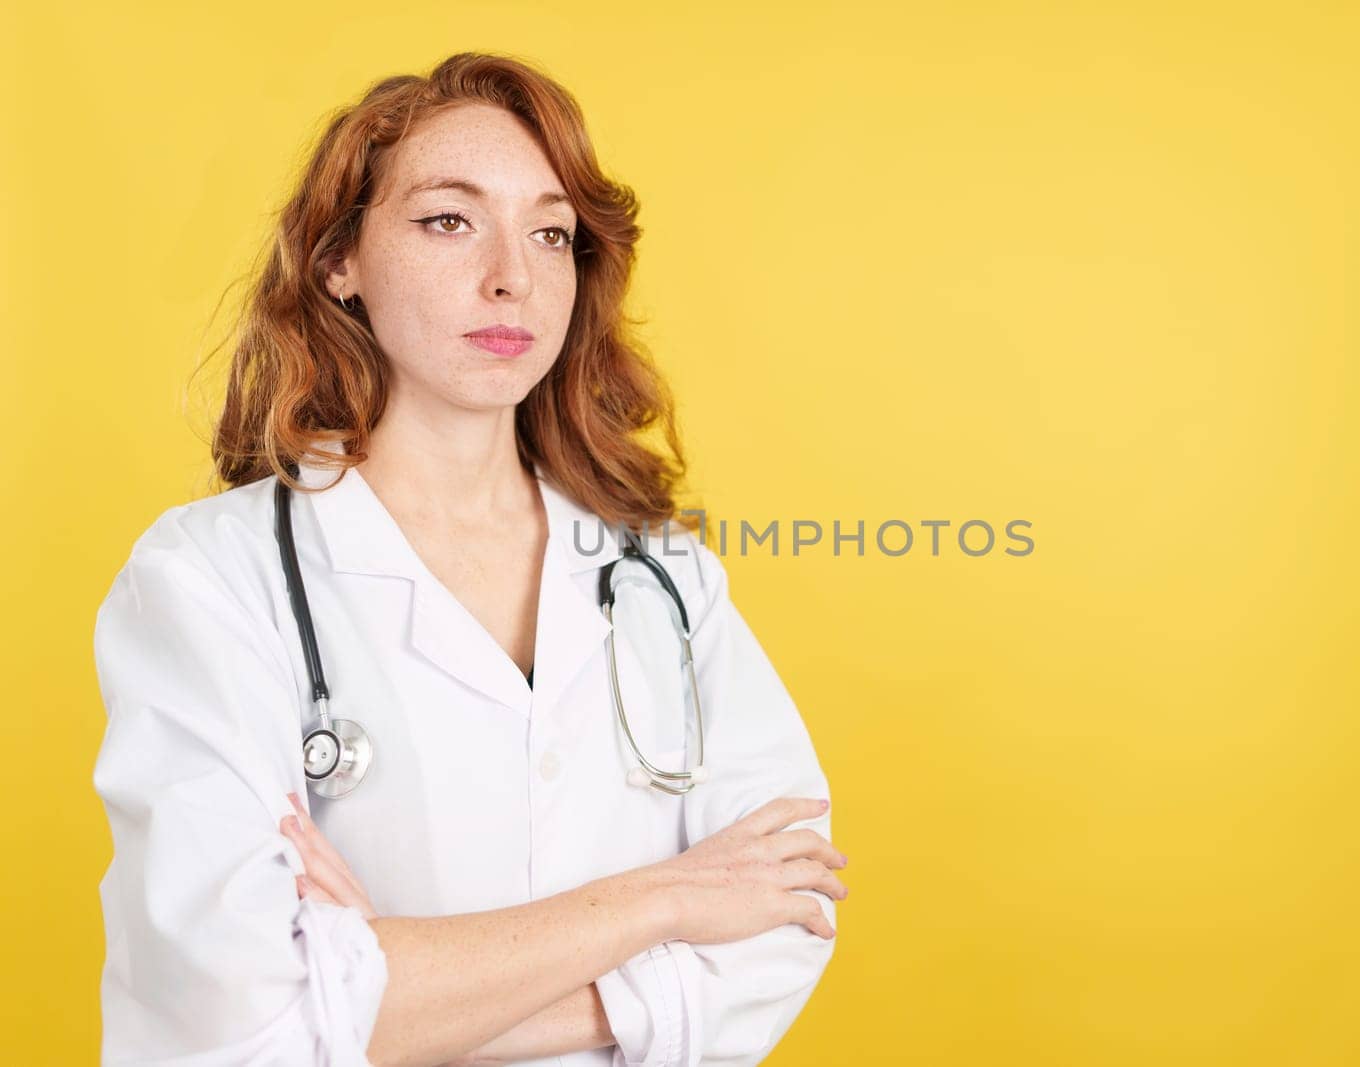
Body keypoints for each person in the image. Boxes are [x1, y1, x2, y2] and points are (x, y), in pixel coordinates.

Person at [90, 51, 848, 1067]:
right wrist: (666, 898)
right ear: (337, 261)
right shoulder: (211, 578)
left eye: (550, 232)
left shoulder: (664, 576)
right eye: (449, 220)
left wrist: (379, 996)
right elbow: (235, 1011)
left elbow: (785, 903)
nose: (512, 275)